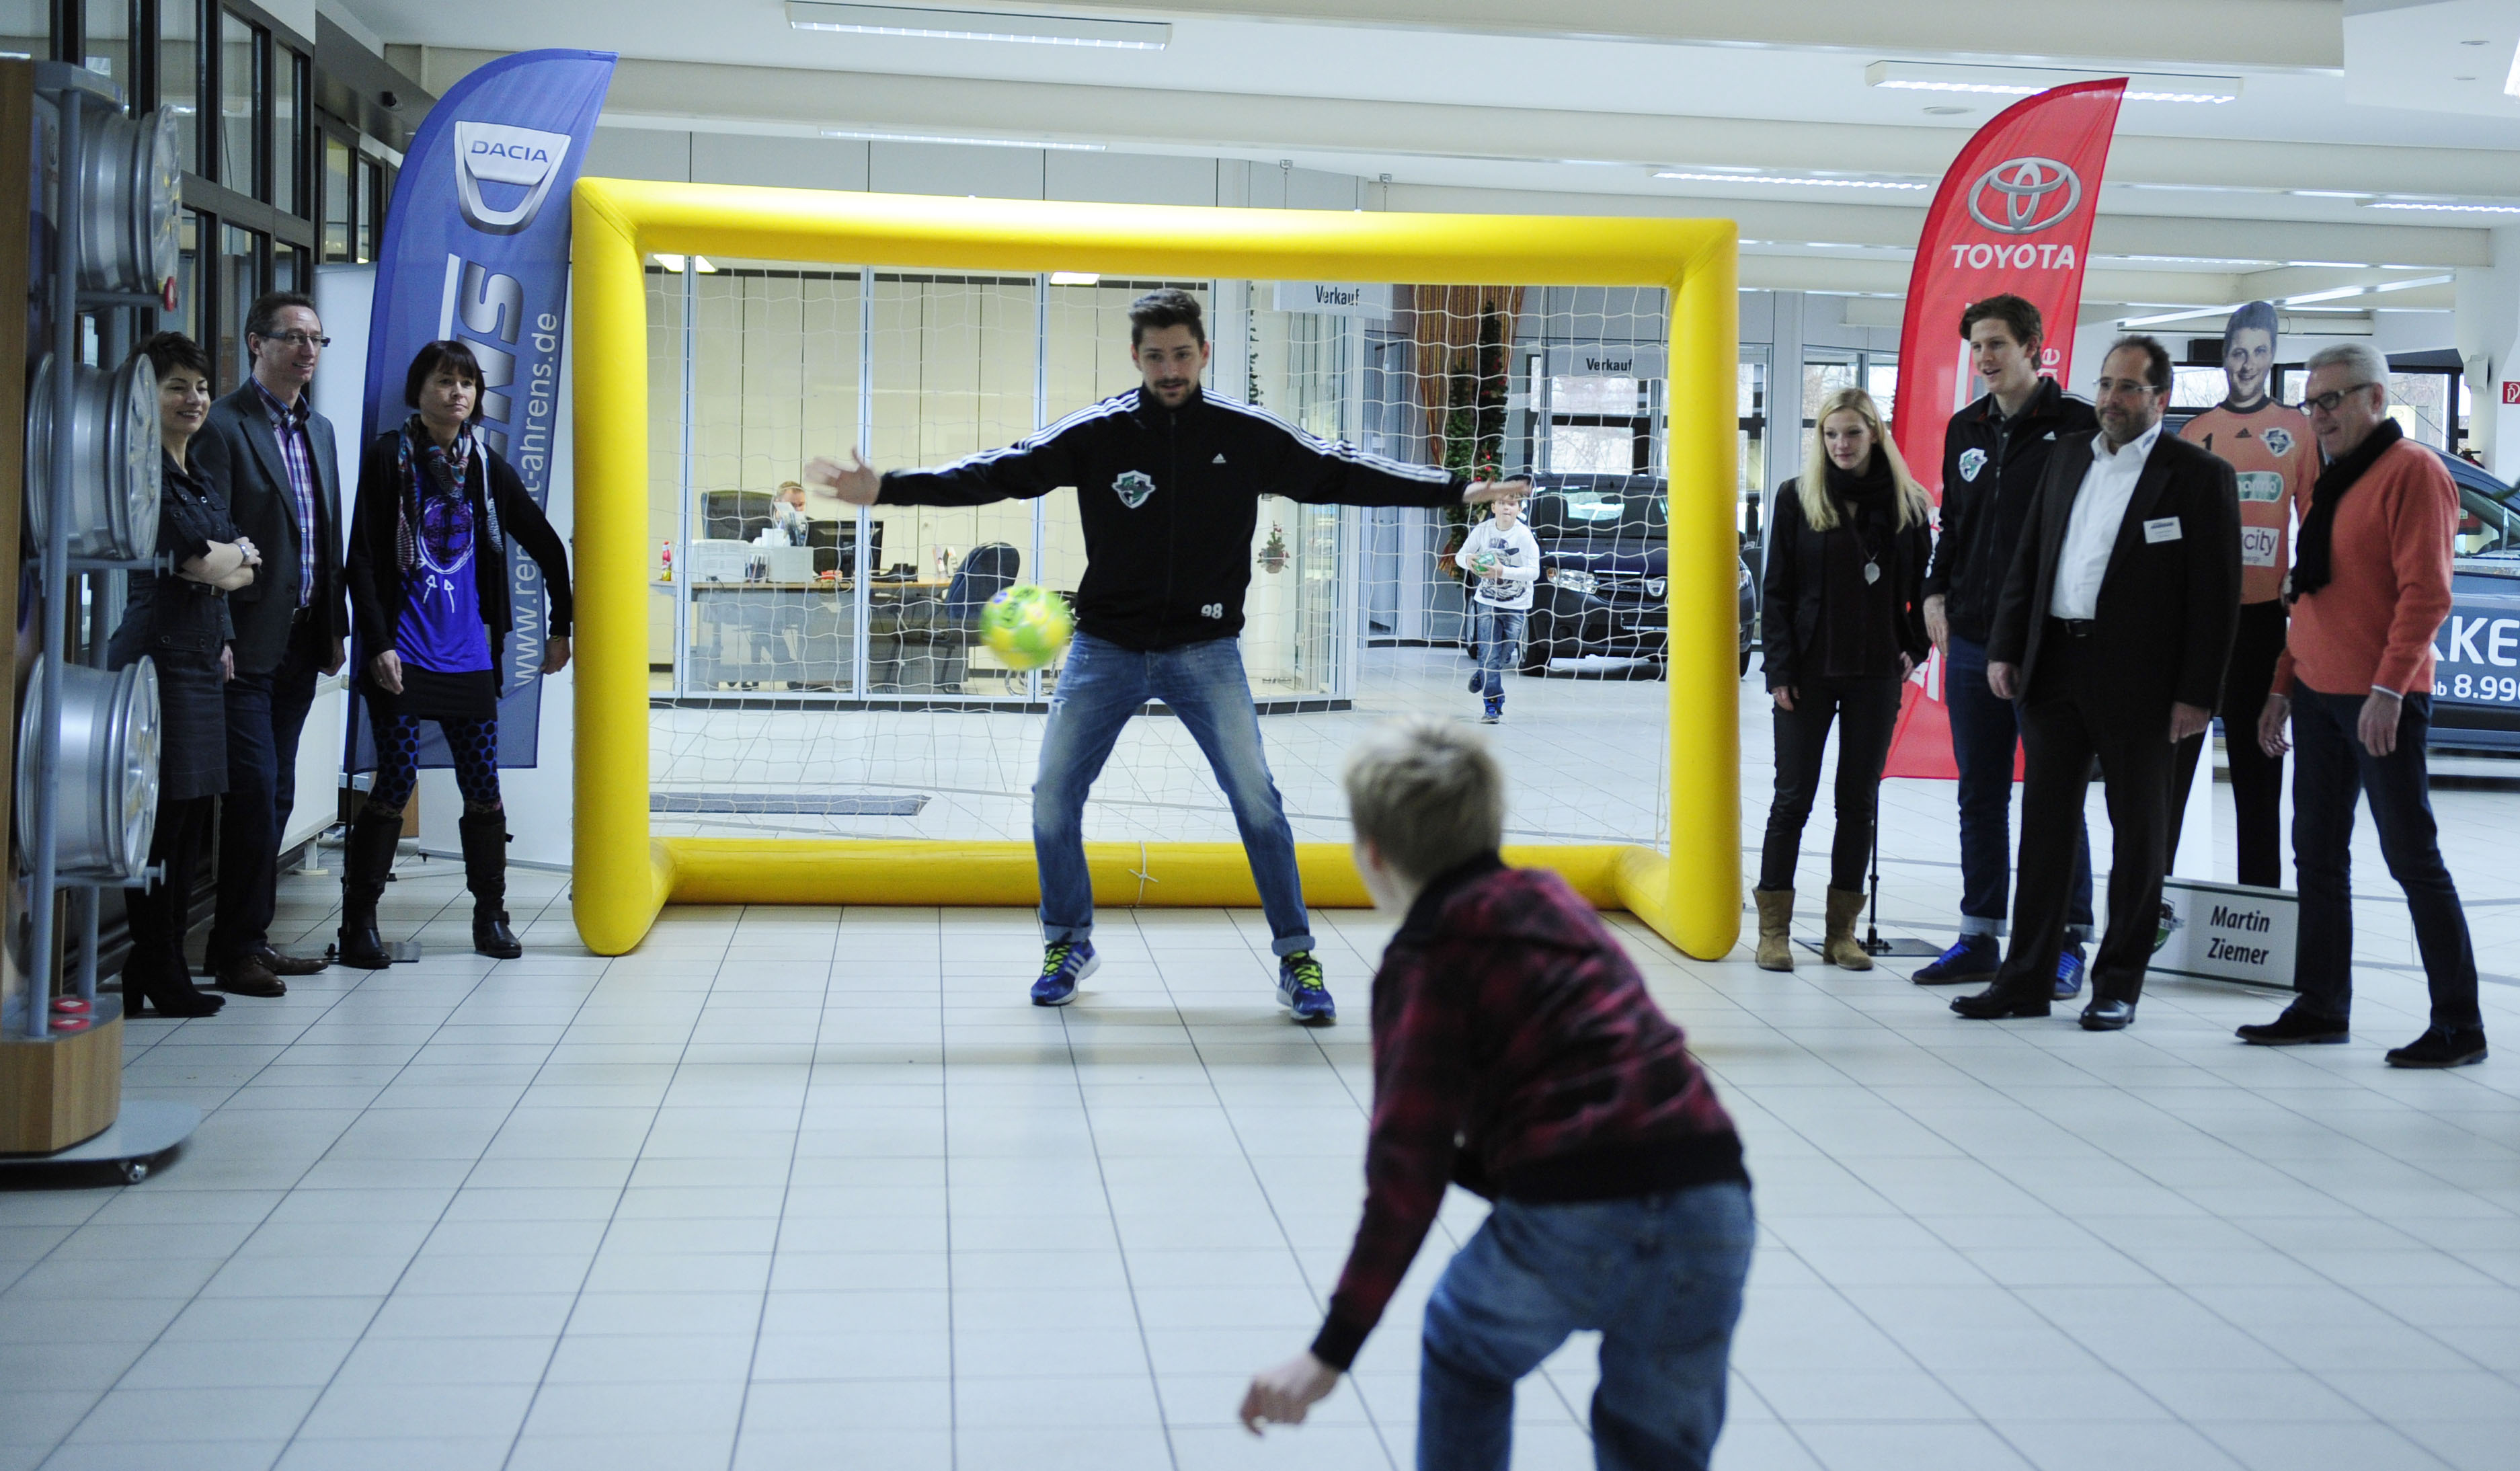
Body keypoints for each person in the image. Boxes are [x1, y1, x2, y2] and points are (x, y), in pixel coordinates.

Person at [808, 288, 1521, 1021]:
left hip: (1205, 651)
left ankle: (1297, 958)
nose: (1171, 369)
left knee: (1258, 804)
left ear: (1204, 353)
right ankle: (1067, 942)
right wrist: (888, 488)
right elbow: (1002, 469)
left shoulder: (1245, 434)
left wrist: (1455, 487)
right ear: (1136, 357)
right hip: (1105, 649)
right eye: (1156, 356)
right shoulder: (1099, 433)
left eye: (1182, 354)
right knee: (1052, 798)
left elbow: (1339, 469)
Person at [1237, 717, 1751, 1470]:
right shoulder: (1552, 898)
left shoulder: (1424, 960)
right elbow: (1603, 1072)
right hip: (1711, 1193)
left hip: (1572, 1213)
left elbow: (1404, 1179)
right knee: (1651, 1443)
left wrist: (1329, 1352)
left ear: (1373, 855)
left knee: (1464, 1346)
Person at [1953, 336, 2240, 1031]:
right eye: (2106, 384)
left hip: (2145, 684)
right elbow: (2031, 558)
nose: (2111, 398)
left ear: (2160, 398)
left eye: (2128, 387)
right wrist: (2007, 648)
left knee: (2138, 836)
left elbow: (2216, 596)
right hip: (2053, 665)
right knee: (2045, 829)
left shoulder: (2197, 475)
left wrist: (2197, 695)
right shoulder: (2068, 455)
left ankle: (2117, 984)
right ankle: (2024, 978)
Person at [2238, 344, 2486, 1068]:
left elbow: (2427, 594)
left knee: (2411, 857)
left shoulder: (2413, 472)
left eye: (2332, 400)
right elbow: (2309, 595)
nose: (2318, 416)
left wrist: (2389, 688)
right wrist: (2283, 686)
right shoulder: (2333, 479)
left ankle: (2459, 1024)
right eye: (2311, 403)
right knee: (2316, 855)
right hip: (2319, 695)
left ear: (2376, 398)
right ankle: (2321, 1005)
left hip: (2381, 701)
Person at [337, 341, 575, 966]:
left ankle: (491, 916)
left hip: (469, 657)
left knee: (483, 790)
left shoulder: (486, 469)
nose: (458, 394)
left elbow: (547, 544)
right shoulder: (389, 457)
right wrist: (377, 643)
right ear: (419, 391)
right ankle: (358, 922)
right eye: (445, 382)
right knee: (395, 781)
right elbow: (362, 557)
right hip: (403, 655)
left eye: (467, 383)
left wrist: (562, 625)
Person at [1916, 294, 2100, 998]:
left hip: (2045, 642)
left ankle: (2065, 940)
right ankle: (1978, 935)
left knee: (2055, 793)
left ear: (2032, 346)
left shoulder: (2077, 425)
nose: (1984, 358)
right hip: (1970, 636)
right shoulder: (1965, 427)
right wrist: (1934, 592)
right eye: (1976, 347)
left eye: (1996, 344)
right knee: (1981, 794)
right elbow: (1955, 524)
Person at [192, 292, 349, 998]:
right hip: (244, 646)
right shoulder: (225, 426)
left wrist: (334, 629)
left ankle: (249, 939)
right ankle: (233, 950)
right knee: (254, 793)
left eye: (316, 339)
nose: (307, 350)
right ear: (257, 343)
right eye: (293, 337)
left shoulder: (320, 431)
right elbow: (212, 540)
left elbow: (326, 539)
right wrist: (221, 634)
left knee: (278, 792)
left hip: (301, 642)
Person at [1754, 387, 1932, 973]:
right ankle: (1774, 932)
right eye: (1831, 434)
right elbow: (1777, 592)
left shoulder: (1908, 504)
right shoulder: (1797, 497)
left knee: (1858, 803)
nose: (1841, 444)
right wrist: (1779, 671)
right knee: (1792, 800)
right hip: (1807, 674)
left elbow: (1926, 588)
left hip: (1875, 674)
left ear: (1874, 433)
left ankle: (1841, 935)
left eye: (1853, 432)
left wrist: (1915, 646)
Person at [112, 333, 260, 1018]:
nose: (194, 399)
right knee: (160, 823)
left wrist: (227, 563)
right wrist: (231, 557)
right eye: (177, 387)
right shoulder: (142, 471)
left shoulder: (196, 470)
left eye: (200, 387)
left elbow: (237, 572)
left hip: (200, 658)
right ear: (146, 396)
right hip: (158, 658)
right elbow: (200, 562)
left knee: (191, 819)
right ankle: (154, 960)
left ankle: (159, 958)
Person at [2169, 301, 2315, 885]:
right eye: (2238, 352)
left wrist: (2300, 575)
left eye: (2259, 352)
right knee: (2169, 779)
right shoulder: (2193, 434)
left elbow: (2318, 518)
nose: (2248, 363)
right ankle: (2147, 906)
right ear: (2224, 357)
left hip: (2261, 627)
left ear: (2273, 356)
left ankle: (2260, 907)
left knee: (2258, 781)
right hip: (2198, 626)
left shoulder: (2299, 431)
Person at [1453, 489, 1538, 723]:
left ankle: (1483, 675)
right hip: (1487, 602)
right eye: (1501, 503)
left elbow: (1534, 572)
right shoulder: (1483, 530)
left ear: (1520, 509)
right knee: (1489, 654)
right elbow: (1460, 556)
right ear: (1493, 507)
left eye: (1512, 504)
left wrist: (1503, 571)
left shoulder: (1524, 536)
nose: (1506, 508)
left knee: (1505, 655)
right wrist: (1469, 560)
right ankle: (1492, 705)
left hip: (1517, 604)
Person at [771, 479, 813, 546]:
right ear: (778, 503)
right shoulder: (760, 523)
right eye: (792, 505)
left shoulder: (811, 526)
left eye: (801, 505)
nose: (798, 509)